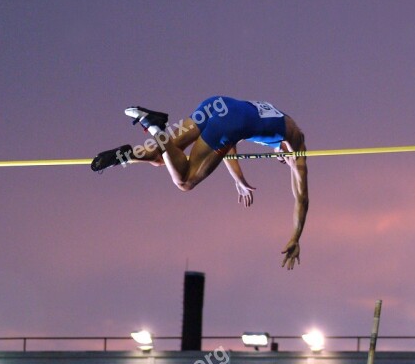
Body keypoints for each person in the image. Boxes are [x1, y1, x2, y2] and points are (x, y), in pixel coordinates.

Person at [91, 96, 308, 270]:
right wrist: (296, 238)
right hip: (230, 122)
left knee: (162, 157)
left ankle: (127, 155)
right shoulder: (296, 142)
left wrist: (239, 179)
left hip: (217, 105)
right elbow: (301, 197)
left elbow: (234, 137)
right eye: (283, 159)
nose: (284, 160)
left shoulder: (275, 116)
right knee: (185, 181)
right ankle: (155, 127)